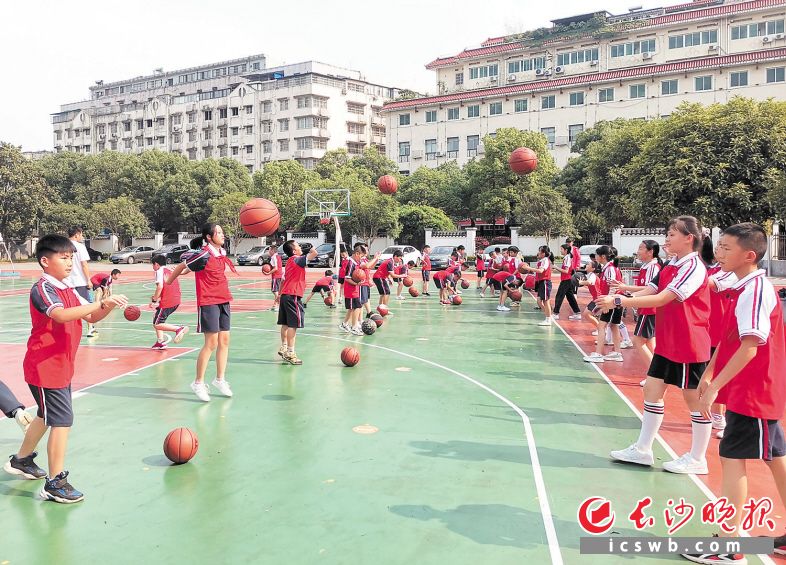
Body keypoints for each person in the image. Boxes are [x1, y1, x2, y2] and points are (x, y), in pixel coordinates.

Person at [682, 223, 786, 565]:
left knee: (731, 460)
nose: (719, 253)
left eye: (726, 248)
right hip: (757, 388)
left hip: (752, 390)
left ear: (749, 255)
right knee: (776, 458)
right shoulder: (743, 286)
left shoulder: (755, 289)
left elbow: (749, 347)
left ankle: (728, 545)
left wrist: (714, 386)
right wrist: (709, 373)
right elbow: (729, 340)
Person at [3, 235, 127, 503]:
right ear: (45, 261)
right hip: (45, 367)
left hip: (60, 365)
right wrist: (98, 303)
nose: (70, 262)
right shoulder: (44, 289)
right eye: (64, 257)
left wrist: (106, 305)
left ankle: (22, 460)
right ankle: (55, 482)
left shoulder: (68, 289)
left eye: (71, 257)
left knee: (45, 416)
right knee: (61, 421)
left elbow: (91, 315)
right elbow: (59, 315)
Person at [602, 216, 713, 474]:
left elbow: (663, 299)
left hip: (689, 342)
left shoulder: (694, 267)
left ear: (689, 238)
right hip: (669, 340)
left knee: (693, 399)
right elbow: (652, 289)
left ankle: (698, 458)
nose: (667, 237)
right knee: (651, 389)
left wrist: (618, 303)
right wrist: (621, 295)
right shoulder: (673, 263)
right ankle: (643, 449)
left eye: (673, 233)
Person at [167, 224, 235, 402]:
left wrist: (190, 270)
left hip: (223, 299)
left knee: (225, 341)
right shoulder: (203, 252)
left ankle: (220, 379)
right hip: (208, 301)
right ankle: (198, 382)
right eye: (219, 232)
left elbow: (194, 268)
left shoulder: (221, 253)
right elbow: (182, 265)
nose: (222, 235)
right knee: (211, 343)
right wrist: (169, 281)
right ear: (209, 237)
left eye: (222, 231)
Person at [611, 240, 663, 385]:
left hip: (649, 308)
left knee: (638, 341)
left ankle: (655, 377)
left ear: (650, 251)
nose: (638, 251)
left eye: (641, 248)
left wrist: (626, 290)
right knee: (650, 343)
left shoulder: (653, 267)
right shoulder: (647, 267)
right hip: (646, 307)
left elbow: (649, 288)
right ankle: (657, 375)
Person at [276, 240, 319, 364]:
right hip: (293, 295)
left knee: (285, 324)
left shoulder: (289, 262)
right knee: (293, 325)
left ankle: (284, 346)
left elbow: (283, 280)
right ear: (294, 251)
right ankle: (290, 352)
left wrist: (279, 294)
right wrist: (311, 247)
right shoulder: (297, 259)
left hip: (285, 295)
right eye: (298, 246)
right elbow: (314, 253)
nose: (301, 247)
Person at [583, 246, 625, 360]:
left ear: (602, 256)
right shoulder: (608, 267)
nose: (595, 257)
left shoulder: (610, 268)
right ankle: (617, 353)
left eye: (597, 255)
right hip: (614, 300)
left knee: (602, 326)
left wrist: (607, 302)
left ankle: (598, 354)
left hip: (612, 301)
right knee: (613, 326)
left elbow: (612, 286)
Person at [149, 256, 188, 350]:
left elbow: (160, 287)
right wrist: (157, 300)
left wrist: (154, 300)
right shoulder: (169, 270)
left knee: (157, 324)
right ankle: (160, 342)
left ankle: (178, 329)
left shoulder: (158, 271)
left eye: (152, 265)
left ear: (156, 264)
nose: (152, 267)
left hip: (168, 301)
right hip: (176, 299)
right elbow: (167, 287)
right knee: (156, 317)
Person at [67, 227, 94, 335]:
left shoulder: (62, 245)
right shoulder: (80, 247)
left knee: (69, 307)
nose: (82, 237)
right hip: (79, 281)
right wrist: (88, 280)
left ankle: (69, 331)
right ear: (77, 235)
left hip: (66, 282)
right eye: (81, 235)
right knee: (86, 306)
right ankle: (90, 328)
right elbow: (84, 264)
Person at [520, 245, 555, 326]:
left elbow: (540, 271)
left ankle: (548, 319)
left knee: (546, 301)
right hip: (540, 282)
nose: (538, 252)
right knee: (539, 301)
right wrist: (529, 270)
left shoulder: (546, 260)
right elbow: (537, 272)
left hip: (545, 282)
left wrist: (528, 268)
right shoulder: (541, 260)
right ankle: (548, 316)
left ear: (543, 253)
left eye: (539, 251)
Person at [86, 269, 121, 337]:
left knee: (106, 293)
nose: (118, 277)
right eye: (118, 275)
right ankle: (97, 304)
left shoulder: (110, 280)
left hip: (99, 282)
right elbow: (104, 287)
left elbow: (110, 289)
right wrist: (105, 294)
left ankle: (102, 304)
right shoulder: (107, 278)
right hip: (94, 280)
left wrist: (110, 298)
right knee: (100, 291)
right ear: (113, 274)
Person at [553, 243, 581, 320]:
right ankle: (577, 313)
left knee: (559, 296)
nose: (560, 251)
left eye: (561, 249)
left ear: (566, 250)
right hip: (567, 279)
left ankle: (556, 313)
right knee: (570, 297)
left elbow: (566, 271)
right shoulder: (567, 257)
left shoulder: (567, 258)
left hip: (566, 280)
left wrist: (555, 267)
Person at [341, 244, 365, 335]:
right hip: (351, 290)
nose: (361, 258)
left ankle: (345, 323)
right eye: (361, 256)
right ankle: (354, 327)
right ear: (357, 254)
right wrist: (356, 283)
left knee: (351, 308)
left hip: (354, 289)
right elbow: (347, 278)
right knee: (357, 307)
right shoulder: (351, 263)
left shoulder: (355, 263)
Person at [267, 244, 282, 312]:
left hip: (276, 276)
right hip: (279, 276)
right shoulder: (277, 256)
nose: (268, 251)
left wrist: (268, 272)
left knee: (275, 291)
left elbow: (276, 268)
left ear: (272, 250)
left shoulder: (274, 257)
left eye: (269, 250)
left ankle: (277, 305)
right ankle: (275, 305)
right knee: (276, 291)